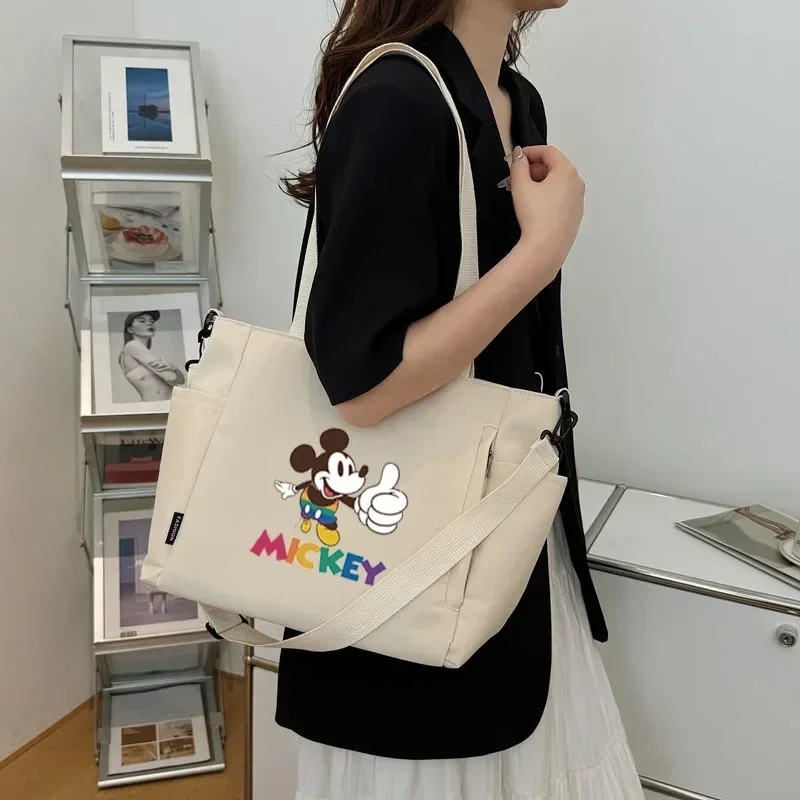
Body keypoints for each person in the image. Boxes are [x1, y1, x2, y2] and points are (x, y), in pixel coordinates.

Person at [277, 2, 644, 798]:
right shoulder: (396, 100)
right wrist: (543, 250)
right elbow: (362, 387)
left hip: (503, 526)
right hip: (406, 560)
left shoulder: (514, 98)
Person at [118, 311, 185, 402]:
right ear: (130, 329)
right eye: (142, 321)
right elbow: (171, 377)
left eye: (152, 321)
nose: (150, 323)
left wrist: (174, 369)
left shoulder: (144, 354)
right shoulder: (132, 346)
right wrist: (174, 369)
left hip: (165, 404)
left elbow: (181, 381)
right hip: (156, 404)